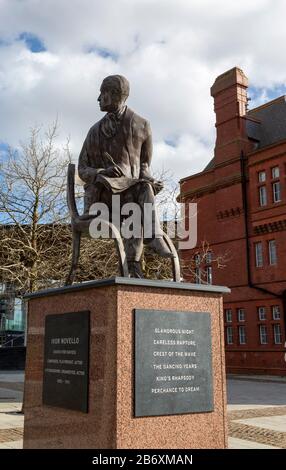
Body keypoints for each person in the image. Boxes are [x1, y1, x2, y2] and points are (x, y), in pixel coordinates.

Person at [78, 74, 174, 278]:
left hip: (129, 195)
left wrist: (151, 180)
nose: (98, 99)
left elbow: (144, 167)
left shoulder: (142, 125)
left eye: (102, 94)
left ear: (114, 94)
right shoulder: (93, 131)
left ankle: (134, 266)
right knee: (140, 200)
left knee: (143, 191)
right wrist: (101, 172)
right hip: (102, 199)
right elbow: (82, 169)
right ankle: (151, 237)